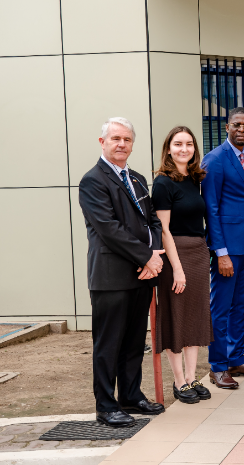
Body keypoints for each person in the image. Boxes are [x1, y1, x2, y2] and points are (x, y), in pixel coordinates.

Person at [79, 117, 165, 427]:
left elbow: (152, 222)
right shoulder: (93, 181)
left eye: (127, 139)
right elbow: (109, 229)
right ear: (102, 142)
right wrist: (147, 258)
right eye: (115, 138)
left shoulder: (139, 178)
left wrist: (153, 256)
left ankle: (131, 395)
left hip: (142, 275)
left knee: (132, 340)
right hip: (111, 277)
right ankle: (106, 405)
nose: (121, 144)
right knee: (108, 343)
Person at [201, 107, 244, 390]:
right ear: (227, 126)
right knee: (221, 308)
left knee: (241, 307)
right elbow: (211, 209)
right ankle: (218, 366)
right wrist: (220, 252)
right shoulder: (215, 159)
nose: (242, 130)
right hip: (227, 250)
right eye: (237, 125)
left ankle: (235, 358)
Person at [152, 126, 213, 404]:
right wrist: (176, 267)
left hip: (198, 252)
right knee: (176, 315)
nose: (184, 149)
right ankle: (178, 381)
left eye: (189, 144)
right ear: (168, 149)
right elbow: (163, 229)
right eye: (178, 144)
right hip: (175, 254)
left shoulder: (195, 179)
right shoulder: (163, 182)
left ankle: (191, 377)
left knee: (195, 315)